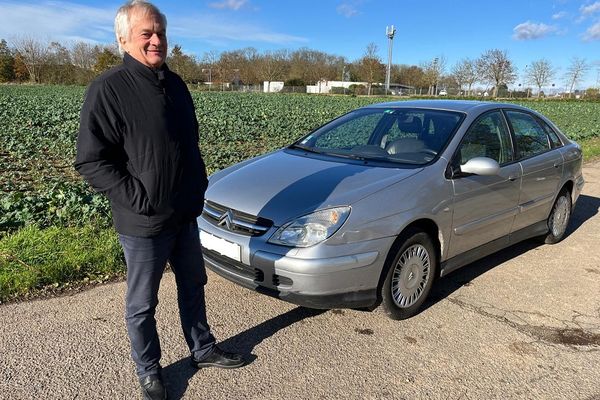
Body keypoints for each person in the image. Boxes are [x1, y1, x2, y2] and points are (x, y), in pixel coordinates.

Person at [74, 1, 244, 399]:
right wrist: (140, 198)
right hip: (144, 222)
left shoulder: (177, 85)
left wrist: (197, 187)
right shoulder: (108, 88)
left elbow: (189, 145)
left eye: (161, 32)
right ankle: (149, 370)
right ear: (123, 39)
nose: (156, 40)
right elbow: (91, 160)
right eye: (146, 33)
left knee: (193, 284)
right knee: (141, 304)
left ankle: (202, 349)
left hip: (184, 214)